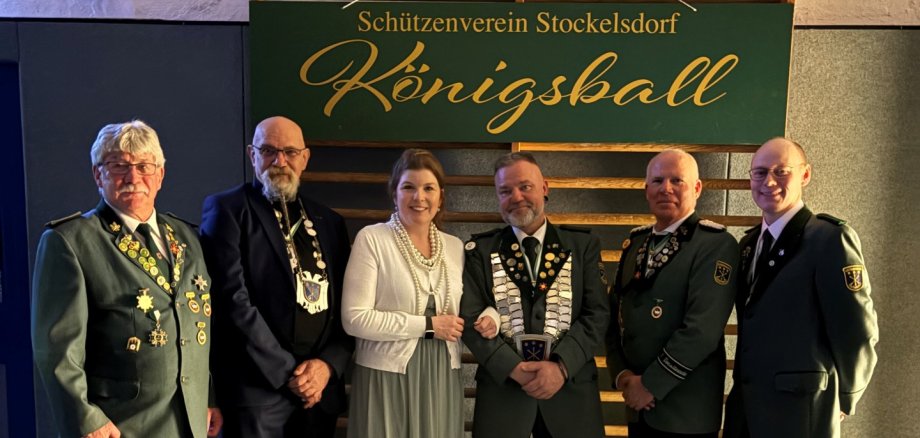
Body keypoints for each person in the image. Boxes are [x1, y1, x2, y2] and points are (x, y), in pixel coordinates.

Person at [31, 120, 221, 438]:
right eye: (118, 166)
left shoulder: (187, 237)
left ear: (160, 175)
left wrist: (208, 396)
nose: (133, 177)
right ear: (98, 175)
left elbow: (194, 327)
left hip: (189, 421)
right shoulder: (72, 242)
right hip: (120, 426)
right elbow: (56, 350)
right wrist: (86, 419)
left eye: (145, 166)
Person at [200, 116, 353, 438]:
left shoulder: (330, 221)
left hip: (319, 392)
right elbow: (231, 301)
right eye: (268, 150)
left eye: (290, 152)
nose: (279, 161)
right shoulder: (228, 210)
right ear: (251, 155)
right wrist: (288, 374)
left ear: (305, 158)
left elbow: (348, 307)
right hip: (256, 393)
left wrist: (327, 366)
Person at [723, 137, 879, 438]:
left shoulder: (829, 239)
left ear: (805, 175)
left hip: (802, 411)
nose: (769, 182)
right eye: (760, 172)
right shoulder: (748, 245)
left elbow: (856, 328)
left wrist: (846, 396)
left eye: (781, 172)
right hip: (747, 411)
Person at [460, 152, 609, 438]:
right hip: (504, 394)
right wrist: (513, 368)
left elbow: (598, 314)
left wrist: (561, 368)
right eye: (505, 191)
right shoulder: (480, 250)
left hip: (570, 393)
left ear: (544, 188)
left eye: (525, 186)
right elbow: (469, 318)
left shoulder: (582, 246)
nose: (516, 197)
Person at [606, 150, 738, 437]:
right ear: (646, 190)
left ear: (697, 188)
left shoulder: (715, 245)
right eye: (657, 181)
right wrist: (623, 375)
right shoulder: (636, 244)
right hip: (638, 407)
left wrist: (650, 385)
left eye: (677, 180)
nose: (666, 188)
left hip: (685, 412)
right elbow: (615, 316)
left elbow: (701, 331)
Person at [341, 148, 465, 438]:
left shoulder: (455, 246)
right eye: (408, 187)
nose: (418, 197)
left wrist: (490, 316)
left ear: (441, 197)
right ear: (394, 193)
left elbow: (471, 307)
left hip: (442, 375)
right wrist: (428, 326)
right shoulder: (372, 239)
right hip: (386, 376)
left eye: (428, 188)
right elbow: (354, 319)